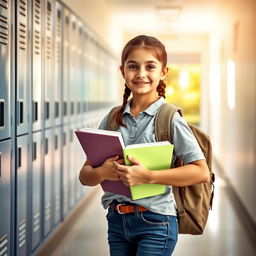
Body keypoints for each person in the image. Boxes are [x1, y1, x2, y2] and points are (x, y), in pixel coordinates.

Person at [79, 35, 210, 256]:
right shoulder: (112, 118)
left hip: (157, 222)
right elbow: (85, 176)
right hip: (116, 221)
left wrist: (148, 176)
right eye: (133, 66)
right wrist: (103, 172)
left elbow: (201, 172)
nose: (140, 73)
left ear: (163, 72)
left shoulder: (170, 118)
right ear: (123, 71)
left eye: (150, 66)